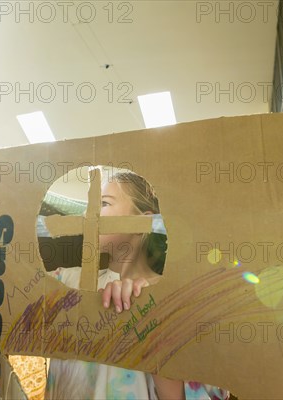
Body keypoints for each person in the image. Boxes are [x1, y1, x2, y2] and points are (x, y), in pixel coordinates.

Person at [45, 170, 229, 400]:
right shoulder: (67, 281)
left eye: (103, 203)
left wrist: (150, 316)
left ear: (143, 221)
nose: (87, 213)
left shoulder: (179, 300)